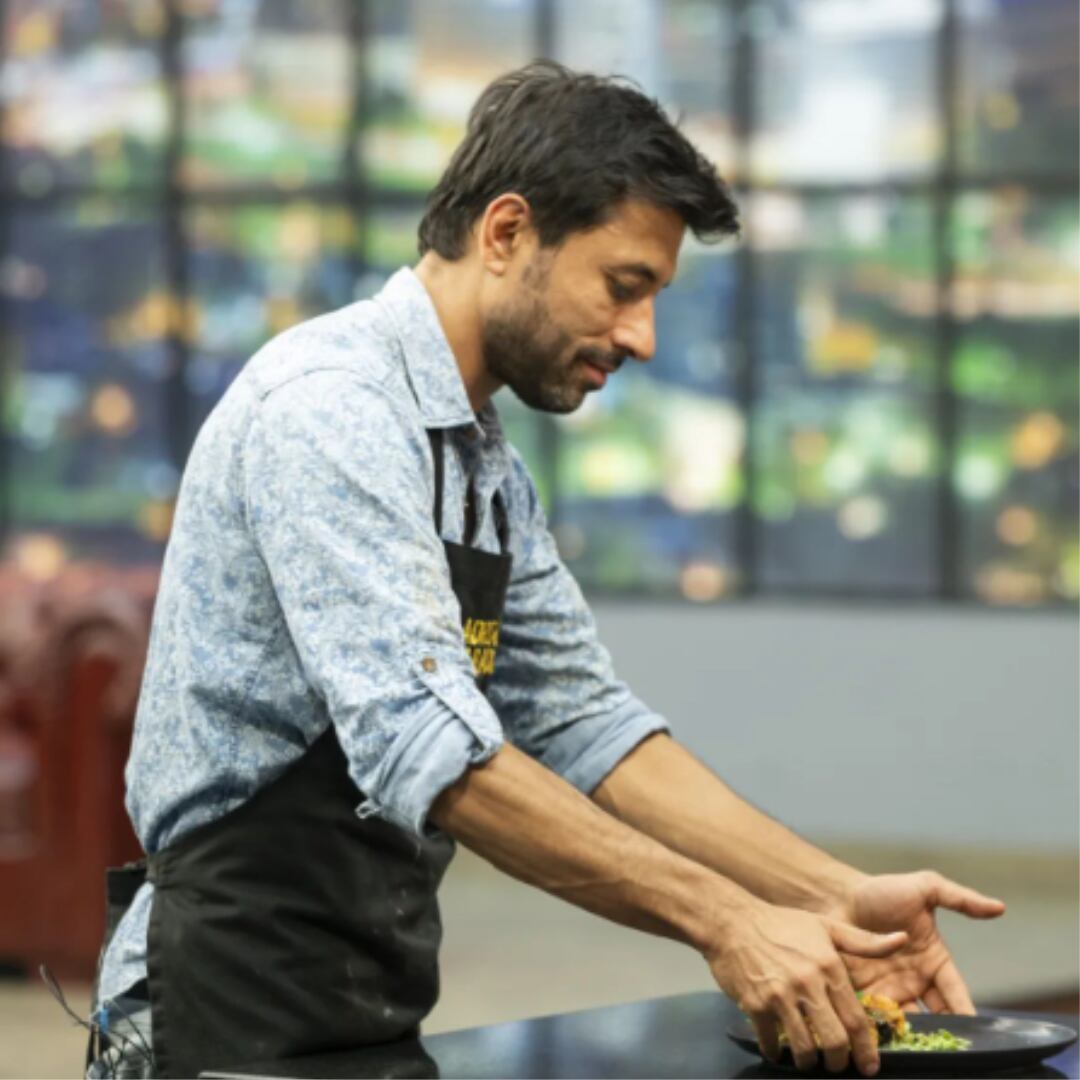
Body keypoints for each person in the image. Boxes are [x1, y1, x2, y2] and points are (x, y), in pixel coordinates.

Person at [89, 60, 1004, 1079]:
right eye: (625, 287)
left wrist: (825, 892)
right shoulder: (328, 412)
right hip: (220, 1010)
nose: (642, 338)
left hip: (362, 1006)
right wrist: (727, 922)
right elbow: (429, 747)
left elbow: (587, 723)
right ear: (507, 232)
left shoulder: (480, 467)